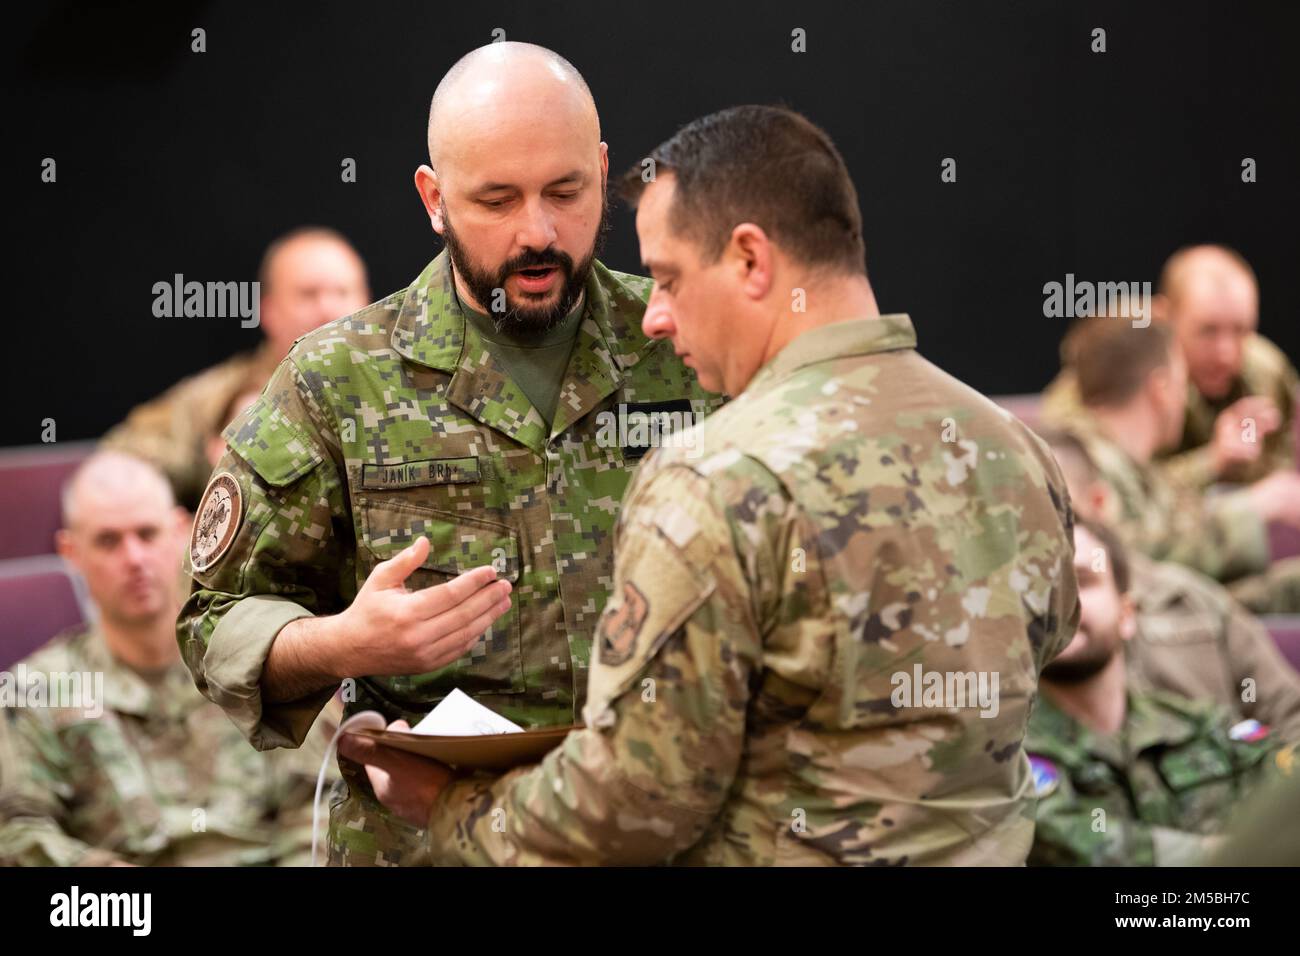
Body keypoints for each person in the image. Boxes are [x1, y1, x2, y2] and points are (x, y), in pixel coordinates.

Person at [343, 104, 1080, 866]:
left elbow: (633, 803)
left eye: (667, 278)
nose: (653, 316)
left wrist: (450, 809)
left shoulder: (715, 477)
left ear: (751, 261)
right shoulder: (1013, 446)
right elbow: (1046, 641)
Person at [177, 42, 717, 867]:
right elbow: (212, 622)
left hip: (657, 833)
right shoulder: (338, 379)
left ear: (605, 172)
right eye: (496, 199)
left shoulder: (687, 343)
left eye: (566, 192)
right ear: (434, 198)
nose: (537, 231)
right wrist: (344, 644)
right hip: (431, 844)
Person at [0, 452, 333, 866]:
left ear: (182, 532)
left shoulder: (251, 660)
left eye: (147, 534)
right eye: (109, 541)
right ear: (70, 552)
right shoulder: (36, 690)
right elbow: (17, 832)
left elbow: (315, 804)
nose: (134, 559)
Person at [1028, 519, 1284, 866]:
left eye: (1082, 582)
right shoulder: (1001, 754)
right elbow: (1073, 843)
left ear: (1127, 614)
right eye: (1039, 591)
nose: (1061, 607)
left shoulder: (1204, 726)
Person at [1040, 427, 1300, 740]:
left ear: (1097, 504)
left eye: (1049, 506)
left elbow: (1289, 715)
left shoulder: (1192, 603)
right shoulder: (986, 629)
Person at [102, 227, 370, 509]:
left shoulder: (396, 384)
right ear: (269, 310)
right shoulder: (219, 396)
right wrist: (219, 469)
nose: (328, 308)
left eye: (343, 292)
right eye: (308, 294)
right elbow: (118, 461)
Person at [1048, 315, 1300, 612]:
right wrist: (1256, 506)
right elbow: (1130, 563)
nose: (1184, 399)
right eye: (1183, 382)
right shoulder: (1085, 465)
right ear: (1162, 388)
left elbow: (1167, 525)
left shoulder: (1116, 460)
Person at [1042, 244, 1298, 489]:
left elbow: (1282, 474)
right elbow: (1087, 483)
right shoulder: (1124, 365)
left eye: (1241, 330)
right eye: (1208, 331)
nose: (1226, 353)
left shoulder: (1264, 372)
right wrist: (1211, 463)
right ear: (1165, 316)